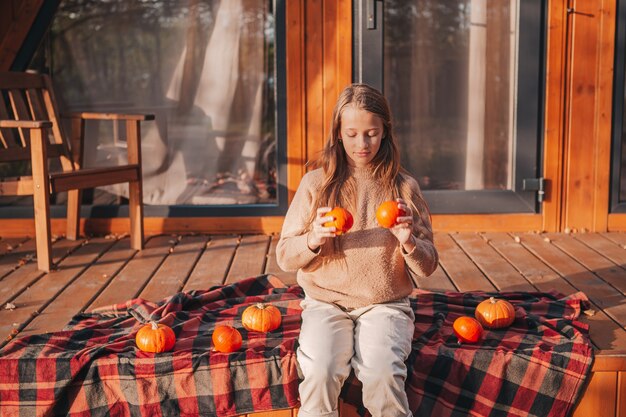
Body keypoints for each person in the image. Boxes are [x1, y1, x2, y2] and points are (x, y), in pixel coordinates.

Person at [276, 83, 439, 417]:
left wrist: (408, 241)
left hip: (384, 304)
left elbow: (427, 266)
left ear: (385, 133)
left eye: (371, 133)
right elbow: (284, 255)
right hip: (326, 303)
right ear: (338, 133)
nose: (361, 144)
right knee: (320, 372)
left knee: (382, 374)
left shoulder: (403, 187)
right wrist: (314, 239)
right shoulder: (315, 184)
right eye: (351, 134)